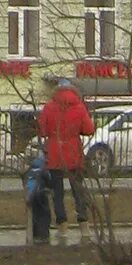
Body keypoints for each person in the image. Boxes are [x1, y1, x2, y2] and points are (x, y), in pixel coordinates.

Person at [38, 79, 97, 234]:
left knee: (58, 191)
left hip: (55, 153)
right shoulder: (79, 106)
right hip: (73, 152)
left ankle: (62, 224)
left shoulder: (49, 107)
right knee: (78, 189)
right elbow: (89, 129)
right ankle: (83, 223)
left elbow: (42, 130)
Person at [23, 141, 54, 246]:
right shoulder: (44, 167)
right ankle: (43, 236)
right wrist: (49, 187)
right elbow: (48, 180)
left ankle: (35, 235)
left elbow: (26, 177)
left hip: (30, 193)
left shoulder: (33, 165)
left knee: (35, 214)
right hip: (40, 193)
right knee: (44, 214)